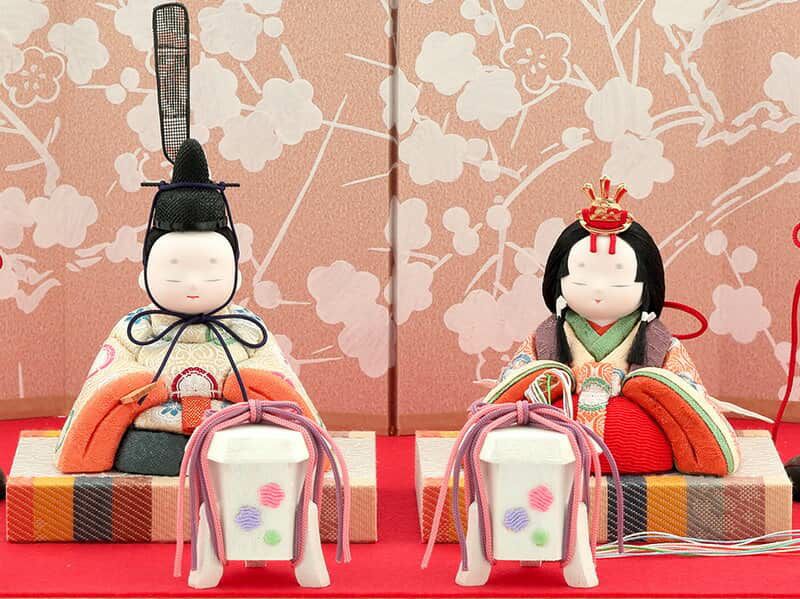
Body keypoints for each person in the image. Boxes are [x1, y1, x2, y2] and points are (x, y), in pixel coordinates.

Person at [55, 140, 322, 475]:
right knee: (141, 446)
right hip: (149, 434)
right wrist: (138, 387)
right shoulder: (137, 328)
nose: (193, 283)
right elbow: (109, 374)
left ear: (236, 276)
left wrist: (248, 386)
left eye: (211, 269)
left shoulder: (247, 328)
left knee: (249, 439)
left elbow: (275, 377)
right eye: (176, 269)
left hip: (234, 432)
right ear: (145, 276)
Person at [488, 176, 740, 476]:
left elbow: (686, 396)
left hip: (639, 449)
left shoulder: (660, 343)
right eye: (582, 274)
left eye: (617, 275)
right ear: (558, 277)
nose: (599, 288)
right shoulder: (546, 338)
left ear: (647, 282)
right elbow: (515, 385)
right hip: (556, 451)